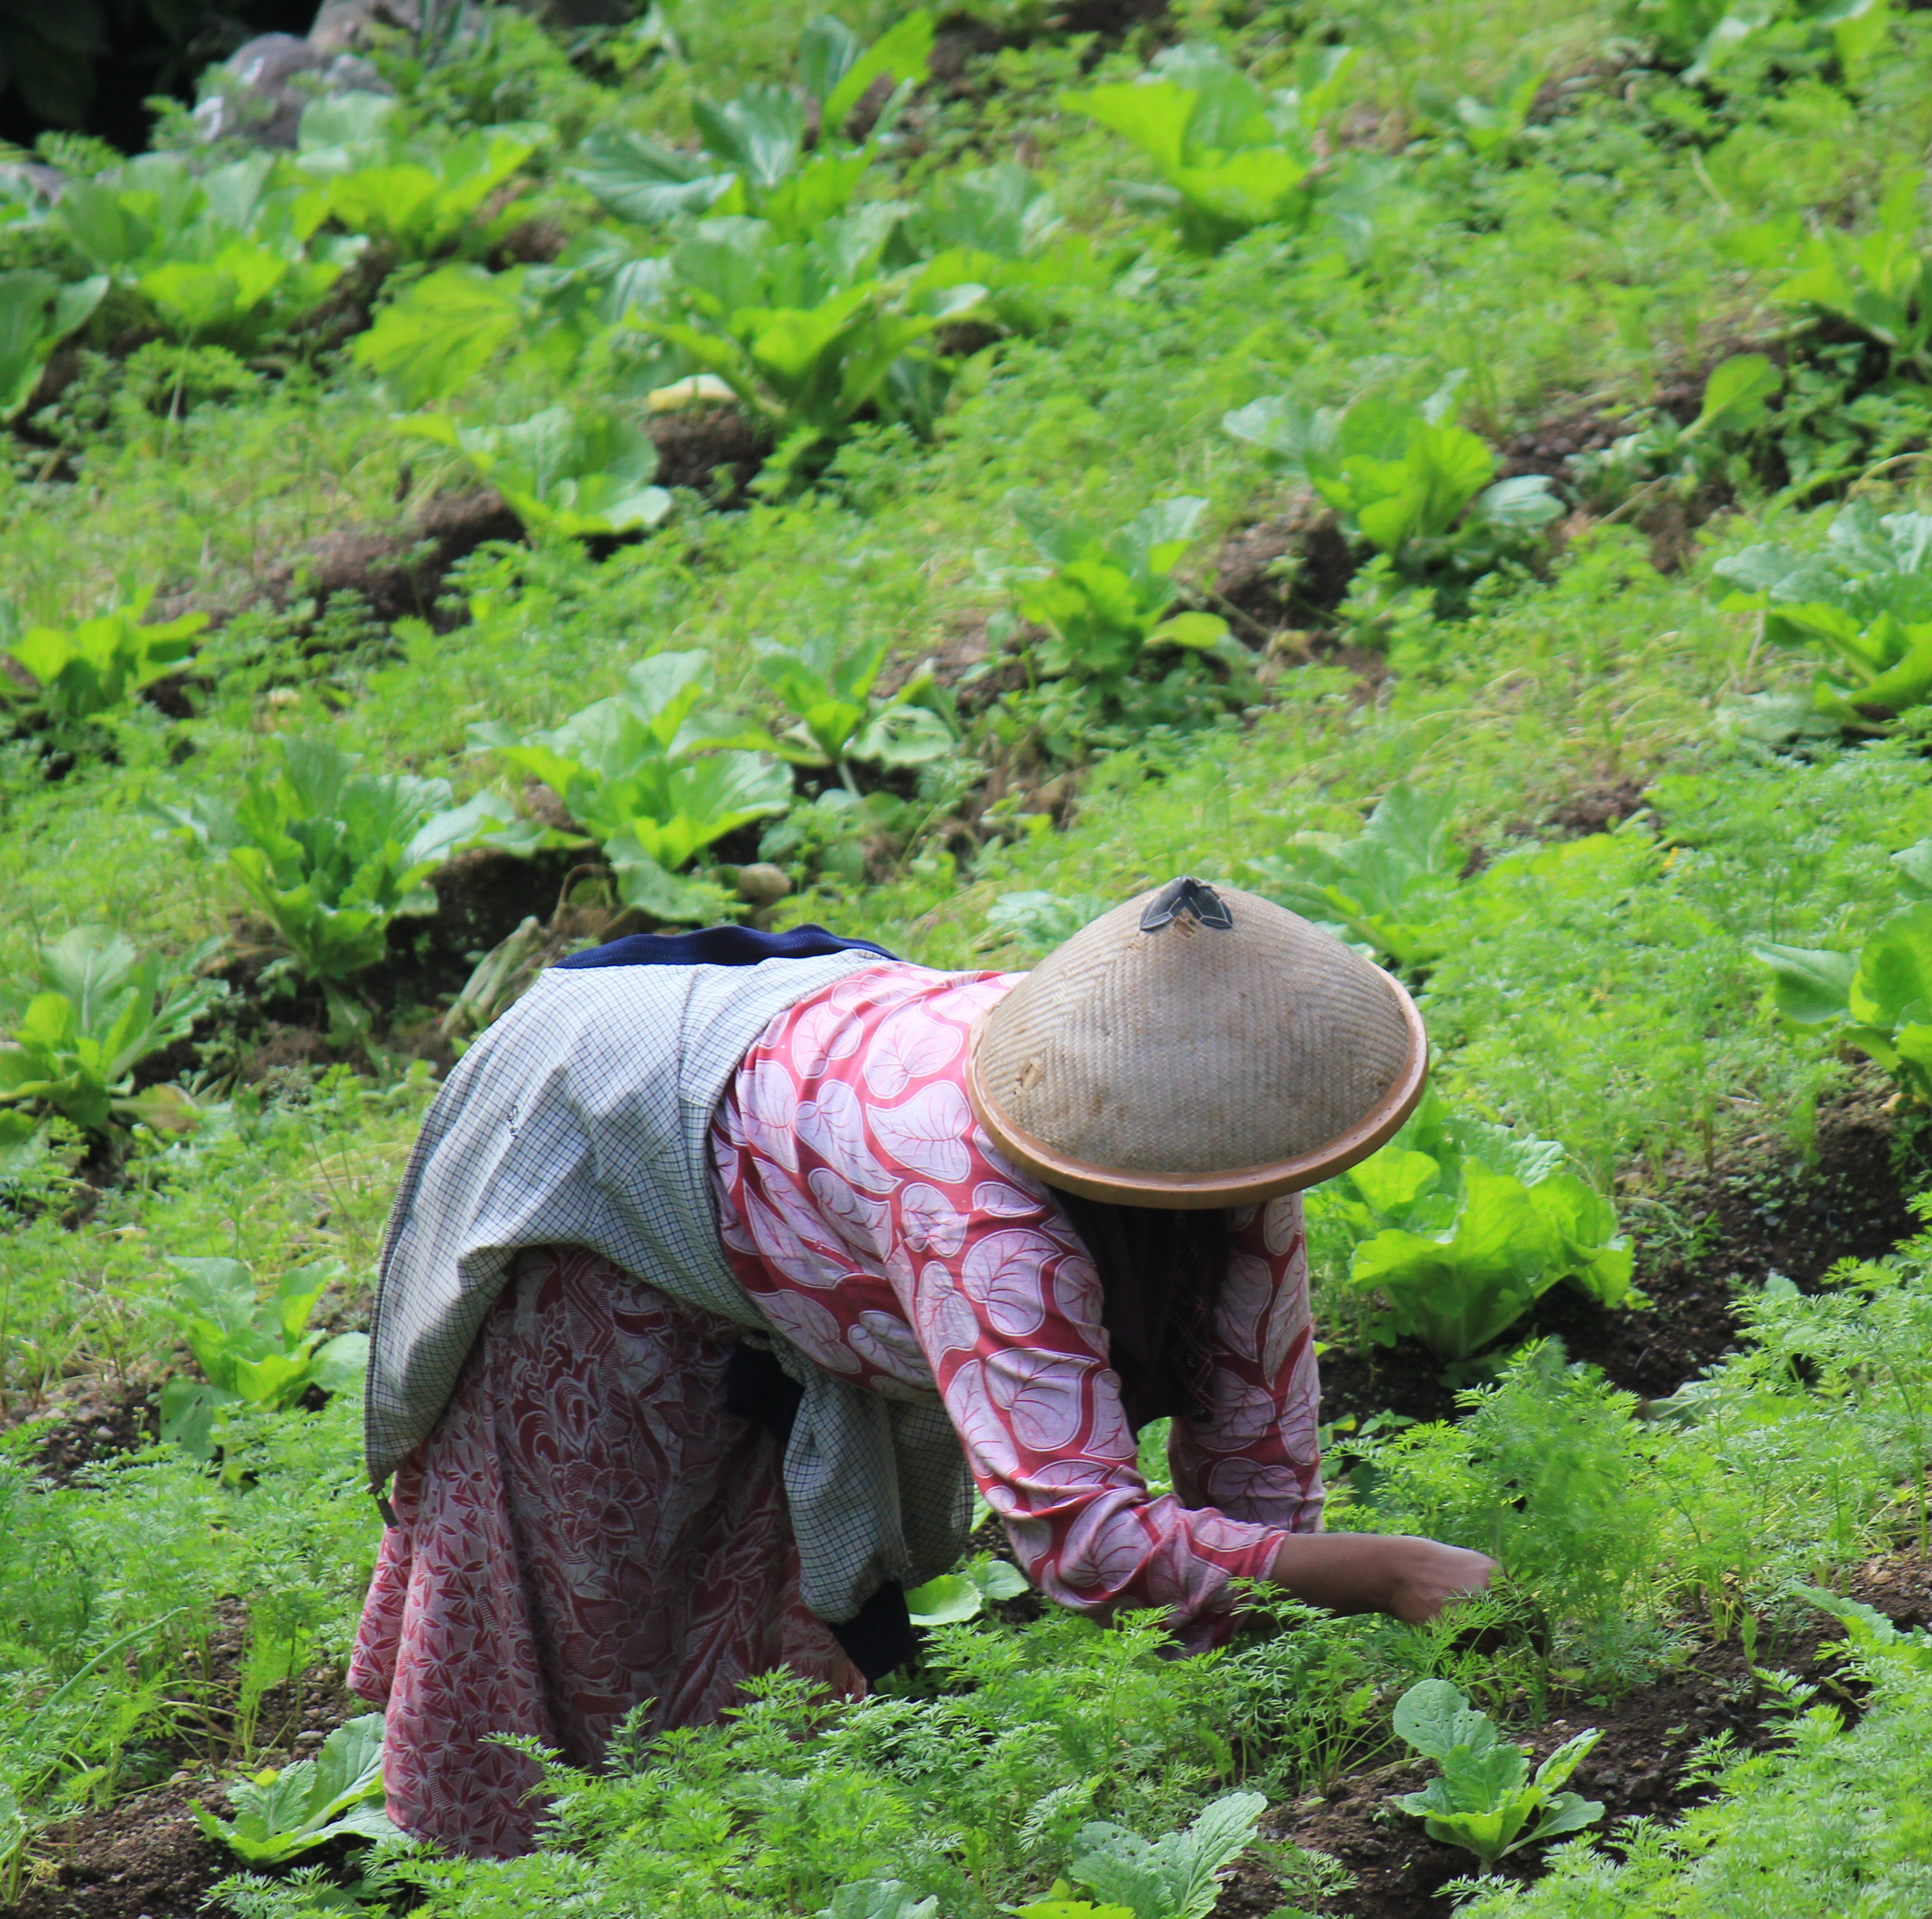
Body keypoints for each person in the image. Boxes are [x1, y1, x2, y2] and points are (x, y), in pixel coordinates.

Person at [349, 877, 1495, 1858]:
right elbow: (1080, 1541)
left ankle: (748, 1843)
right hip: (611, 1146)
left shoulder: (1236, 1147)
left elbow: (1258, 1445)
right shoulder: (980, 1209)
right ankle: (536, 1870)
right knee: (603, 1581)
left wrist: (1281, 1685)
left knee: (749, 1589)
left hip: (798, 1115)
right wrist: (1374, 1571)